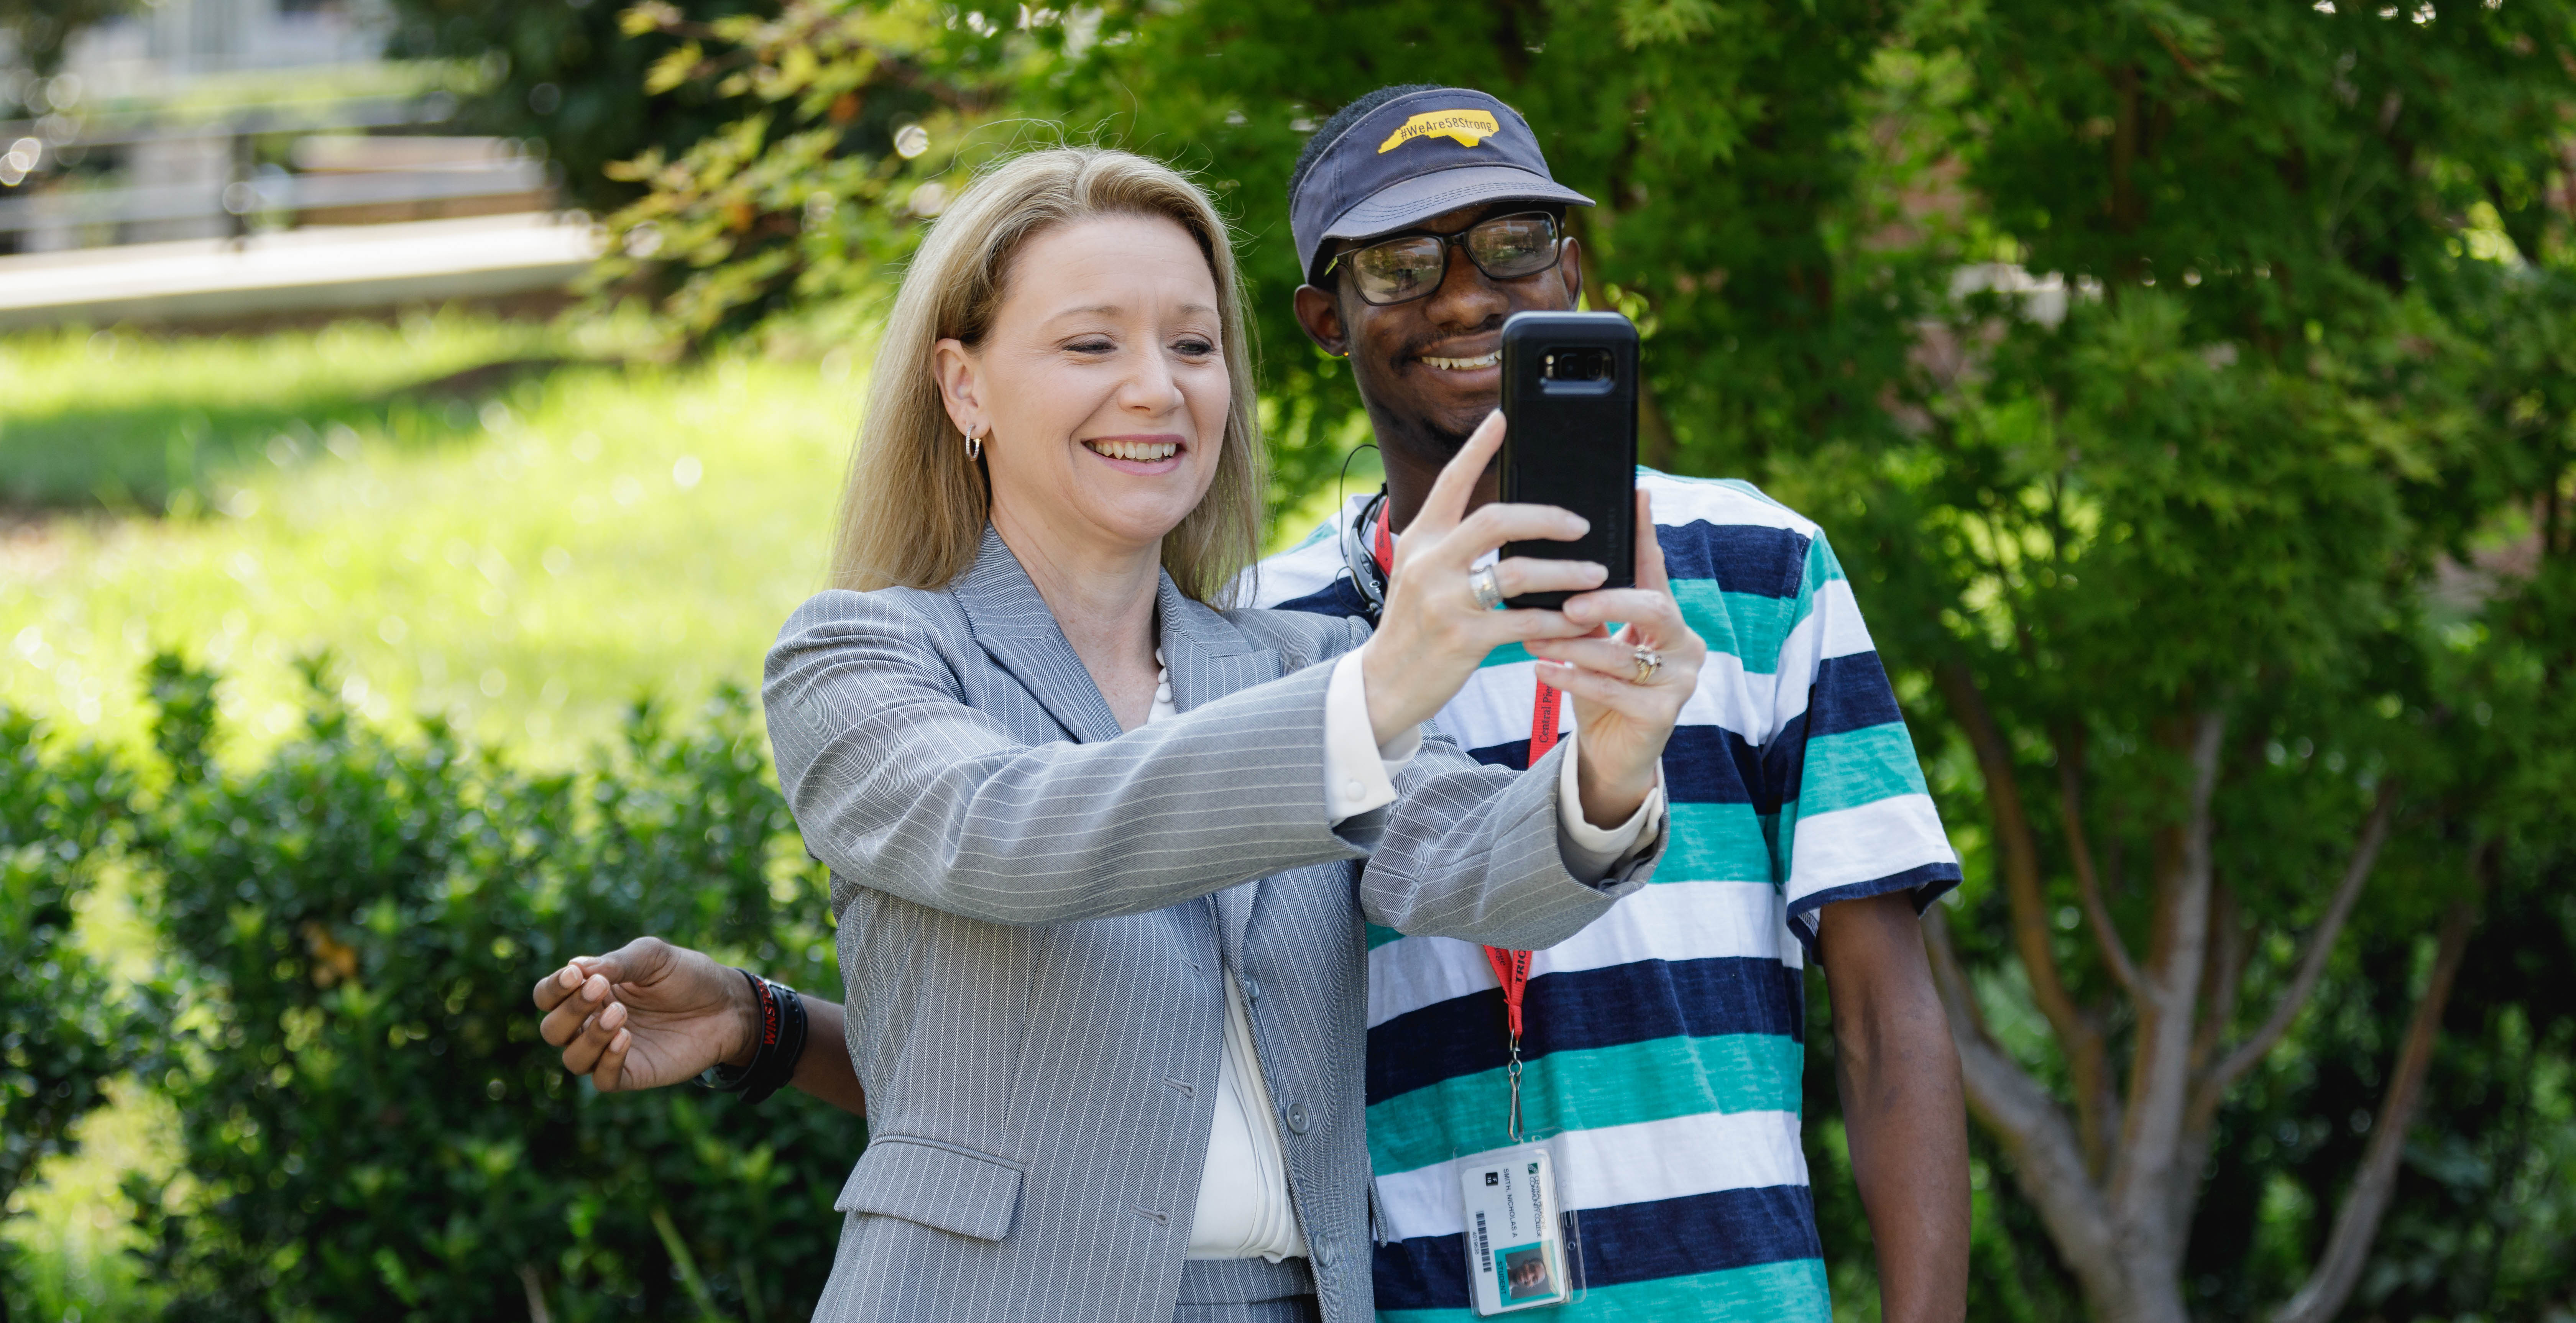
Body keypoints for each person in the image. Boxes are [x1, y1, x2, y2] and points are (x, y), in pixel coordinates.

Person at [539, 88, 1970, 1323]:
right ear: (963, 383)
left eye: (1192, 344)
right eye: (1091, 344)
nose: (1155, 388)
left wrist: (1611, 760)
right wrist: (1388, 682)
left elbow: (1474, 864)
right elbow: (1018, 833)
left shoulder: (1278, 659)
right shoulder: (862, 656)